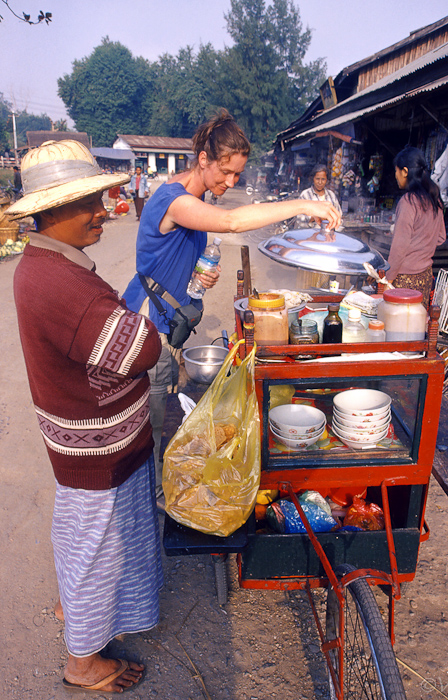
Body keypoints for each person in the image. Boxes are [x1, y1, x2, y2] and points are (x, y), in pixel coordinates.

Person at [123, 110, 341, 507]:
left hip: (165, 323)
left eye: (238, 175)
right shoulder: (173, 199)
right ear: (203, 159)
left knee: (159, 415)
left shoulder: (196, 198)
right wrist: (302, 206)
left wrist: (197, 276)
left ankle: (154, 496)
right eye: (225, 172)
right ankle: (148, 511)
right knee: (148, 427)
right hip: (145, 327)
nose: (231, 182)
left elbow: (177, 255)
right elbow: (232, 221)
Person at [7, 140, 163, 693]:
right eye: (89, 203)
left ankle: (78, 611)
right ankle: (84, 663)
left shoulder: (45, 266)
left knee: (84, 540)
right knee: (100, 544)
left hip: (85, 440)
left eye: (101, 197)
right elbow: (141, 350)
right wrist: (147, 328)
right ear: (50, 212)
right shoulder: (58, 281)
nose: (105, 210)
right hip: (95, 449)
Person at [387, 146, 446, 307]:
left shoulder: (409, 201)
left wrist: (388, 279)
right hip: (425, 277)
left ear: (405, 171)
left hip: (404, 278)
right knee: (417, 327)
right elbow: (441, 237)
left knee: (397, 328)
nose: (395, 175)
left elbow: (400, 246)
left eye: (396, 171)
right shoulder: (435, 199)